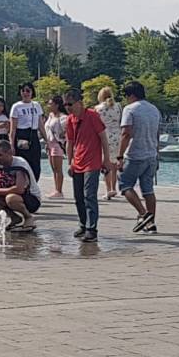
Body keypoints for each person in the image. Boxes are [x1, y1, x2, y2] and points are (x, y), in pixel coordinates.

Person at [64, 90, 112, 243]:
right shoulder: (70, 120)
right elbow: (70, 142)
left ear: (79, 103)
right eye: (65, 104)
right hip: (77, 162)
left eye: (70, 104)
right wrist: (70, 161)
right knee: (78, 197)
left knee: (89, 195)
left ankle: (92, 229)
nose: (68, 108)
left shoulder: (92, 116)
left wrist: (106, 158)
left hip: (92, 162)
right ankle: (83, 224)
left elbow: (103, 137)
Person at [117, 81, 162, 235]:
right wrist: (157, 154)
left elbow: (126, 133)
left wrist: (119, 156)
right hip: (151, 154)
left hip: (135, 154)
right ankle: (151, 224)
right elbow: (157, 133)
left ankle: (144, 214)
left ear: (131, 95)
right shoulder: (154, 109)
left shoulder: (130, 109)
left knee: (125, 184)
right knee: (148, 189)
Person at [0, 140, 41, 232]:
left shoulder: (20, 163)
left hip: (31, 198)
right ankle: (14, 218)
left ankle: (28, 217)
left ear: (9, 153)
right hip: (10, 196)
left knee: (11, 198)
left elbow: (19, 189)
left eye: (0, 155)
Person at [9, 82, 47, 184]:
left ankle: (33, 185)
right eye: (23, 91)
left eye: (28, 91)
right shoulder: (16, 106)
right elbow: (13, 129)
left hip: (33, 135)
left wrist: (47, 140)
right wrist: (11, 144)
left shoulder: (36, 105)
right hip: (21, 135)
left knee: (35, 163)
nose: (25, 93)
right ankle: (23, 185)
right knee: (23, 163)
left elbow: (41, 126)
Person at [95, 88, 122, 200]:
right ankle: (114, 188)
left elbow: (96, 124)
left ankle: (108, 189)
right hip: (117, 135)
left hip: (105, 136)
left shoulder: (98, 108)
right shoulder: (118, 106)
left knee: (106, 163)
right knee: (115, 164)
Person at [44, 95, 67, 199]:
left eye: (51, 103)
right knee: (53, 168)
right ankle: (56, 189)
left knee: (58, 168)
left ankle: (59, 190)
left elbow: (64, 131)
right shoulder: (50, 116)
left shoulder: (62, 117)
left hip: (57, 143)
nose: (49, 105)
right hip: (50, 143)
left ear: (57, 105)